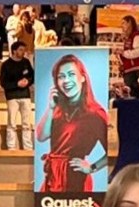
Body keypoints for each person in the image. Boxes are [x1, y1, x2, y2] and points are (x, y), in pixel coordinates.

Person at [39, 53, 110, 193]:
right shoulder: (57, 108)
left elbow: (112, 150)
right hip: (53, 175)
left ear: (83, 78)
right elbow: (41, 136)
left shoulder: (95, 113)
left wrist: (92, 167)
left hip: (74, 177)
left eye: (71, 74)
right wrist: (51, 108)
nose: (66, 80)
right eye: (61, 77)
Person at [1, 40, 37, 151]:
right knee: (12, 123)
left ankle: (28, 147)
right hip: (12, 96)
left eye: (24, 50)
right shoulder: (6, 65)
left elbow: (32, 76)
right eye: (21, 50)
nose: (23, 52)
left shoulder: (26, 62)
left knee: (26, 123)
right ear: (14, 51)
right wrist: (17, 84)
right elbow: (3, 83)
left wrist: (28, 81)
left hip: (25, 95)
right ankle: (11, 146)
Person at [118, 15, 139, 99]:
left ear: (129, 23)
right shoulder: (129, 37)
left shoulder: (136, 36)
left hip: (134, 66)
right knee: (131, 87)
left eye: (124, 23)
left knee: (132, 86)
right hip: (128, 67)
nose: (122, 26)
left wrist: (124, 53)